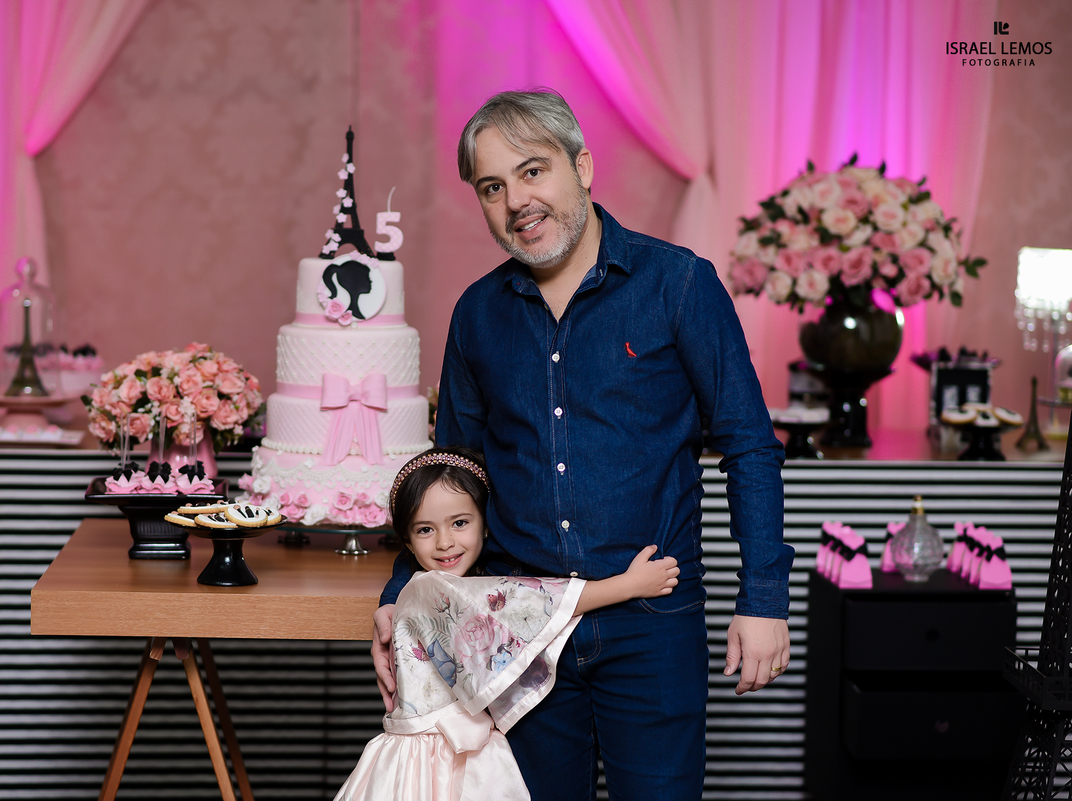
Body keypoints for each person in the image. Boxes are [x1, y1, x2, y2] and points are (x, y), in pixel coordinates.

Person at [372, 89, 795, 799]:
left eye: (533, 171)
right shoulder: (477, 313)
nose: (516, 201)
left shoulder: (679, 284)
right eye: (492, 187)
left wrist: (764, 599)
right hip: (516, 627)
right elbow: (450, 478)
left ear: (583, 166)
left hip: (653, 619)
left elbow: (749, 445)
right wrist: (402, 596)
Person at [337, 447, 680, 801]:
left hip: (463, 749)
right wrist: (627, 586)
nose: (444, 542)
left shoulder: (462, 581)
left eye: (459, 523)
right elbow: (529, 602)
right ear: (407, 542)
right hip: (434, 761)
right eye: (425, 529)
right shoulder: (427, 589)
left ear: (487, 524)